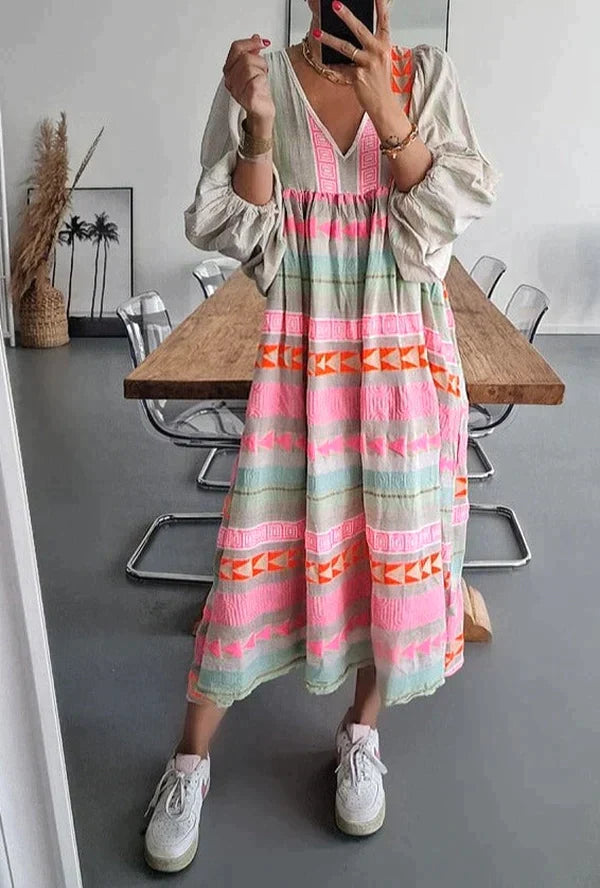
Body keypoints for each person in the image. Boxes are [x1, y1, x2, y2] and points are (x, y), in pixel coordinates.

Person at [143, 0, 501, 872]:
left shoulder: (425, 76)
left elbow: (447, 216)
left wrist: (389, 113)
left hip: (403, 365)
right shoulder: (259, 76)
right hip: (300, 363)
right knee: (251, 561)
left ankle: (361, 732)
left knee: (389, 558)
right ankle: (189, 760)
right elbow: (244, 235)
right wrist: (259, 130)